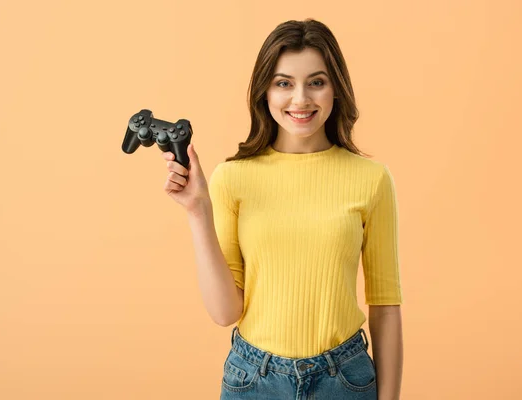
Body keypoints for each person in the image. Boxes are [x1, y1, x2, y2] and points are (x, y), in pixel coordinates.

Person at [161, 18, 403, 400]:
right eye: (284, 83)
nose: (301, 99)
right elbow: (225, 313)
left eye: (317, 82)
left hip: (345, 380)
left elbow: (385, 308)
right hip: (254, 379)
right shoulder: (231, 178)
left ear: (336, 88)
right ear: (265, 92)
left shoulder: (371, 179)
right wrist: (198, 212)